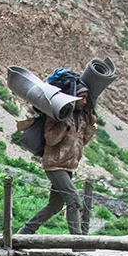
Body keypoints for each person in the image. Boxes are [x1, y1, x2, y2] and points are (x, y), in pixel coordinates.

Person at [19, 86, 97, 234]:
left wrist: (91, 124)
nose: (85, 101)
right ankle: (77, 242)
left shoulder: (81, 118)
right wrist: (63, 125)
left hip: (68, 166)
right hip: (54, 164)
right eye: (82, 97)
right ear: (73, 98)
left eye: (87, 98)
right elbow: (51, 139)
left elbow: (82, 142)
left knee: (54, 206)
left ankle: (24, 232)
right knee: (73, 199)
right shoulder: (57, 115)